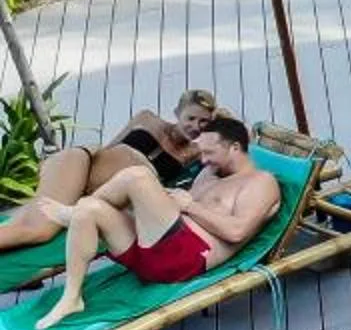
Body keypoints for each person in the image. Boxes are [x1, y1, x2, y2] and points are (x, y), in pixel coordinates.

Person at [30, 115, 280, 330]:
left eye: (209, 153)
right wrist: (167, 200)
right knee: (90, 209)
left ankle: (70, 215)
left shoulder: (260, 182)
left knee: (138, 176)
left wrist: (190, 205)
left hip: (186, 258)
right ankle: (72, 297)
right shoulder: (208, 174)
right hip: (155, 253)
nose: (202, 160)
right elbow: (176, 214)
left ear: (235, 148)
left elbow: (237, 231)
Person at [0, 90, 221, 254]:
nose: (195, 126)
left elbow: (237, 136)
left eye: (204, 122)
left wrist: (218, 117)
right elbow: (110, 147)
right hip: (82, 165)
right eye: (190, 118)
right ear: (177, 112)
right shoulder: (147, 119)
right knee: (39, 229)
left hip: (88, 191)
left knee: (30, 226)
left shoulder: (194, 152)